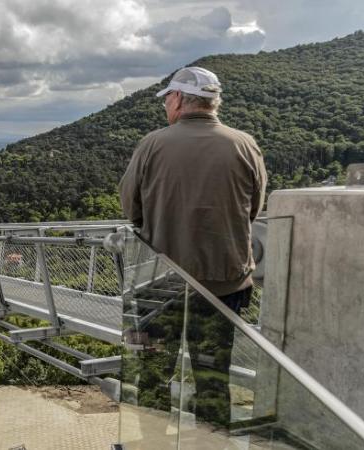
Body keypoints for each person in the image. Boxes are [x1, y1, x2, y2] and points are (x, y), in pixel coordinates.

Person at [118, 66, 267, 428]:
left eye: (167, 97)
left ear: (181, 100)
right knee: (213, 376)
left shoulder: (153, 144)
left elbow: (130, 207)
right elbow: (254, 208)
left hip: (161, 285)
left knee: (153, 373)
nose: (165, 105)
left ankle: (153, 437)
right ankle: (211, 439)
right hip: (224, 284)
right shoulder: (244, 144)